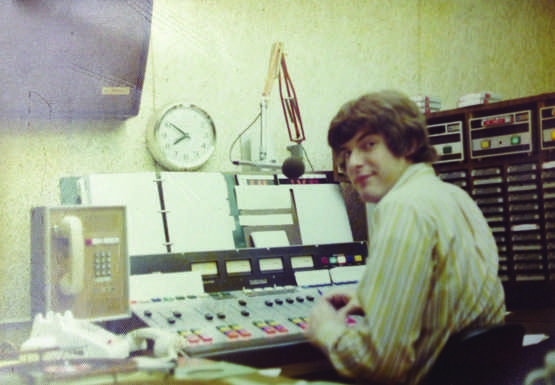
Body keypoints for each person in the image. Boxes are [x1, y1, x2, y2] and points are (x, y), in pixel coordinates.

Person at [305, 90, 506, 385]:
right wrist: (374, 297)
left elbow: (381, 364)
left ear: (409, 144)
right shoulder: (453, 196)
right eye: (347, 152)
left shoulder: (403, 207)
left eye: (368, 145)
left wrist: (325, 330)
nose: (353, 163)